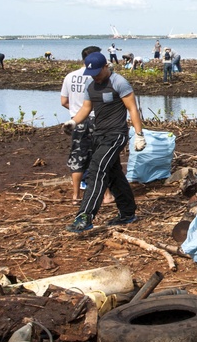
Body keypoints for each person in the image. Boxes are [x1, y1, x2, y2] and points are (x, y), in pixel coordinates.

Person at [62, 52, 146, 232]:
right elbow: (86, 108)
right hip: (99, 135)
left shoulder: (119, 82)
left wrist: (139, 134)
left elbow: (132, 108)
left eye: (98, 72)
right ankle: (127, 213)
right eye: (92, 73)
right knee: (114, 174)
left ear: (106, 67)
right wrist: (73, 122)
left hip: (116, 134)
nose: (95, 76)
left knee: (97, 169)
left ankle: (85, 216)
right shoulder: (90, 85)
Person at [61, 46, 101, 204]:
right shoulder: (96, 76)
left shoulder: (70, 76)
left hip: (75, 122)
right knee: (98, 154)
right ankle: (102, 192)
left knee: (77, 155)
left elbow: (64, 101)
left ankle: (76, 195)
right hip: (96, 119)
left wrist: (75, 113)